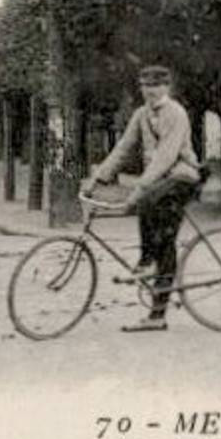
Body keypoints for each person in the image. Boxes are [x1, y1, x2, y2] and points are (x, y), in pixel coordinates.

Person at [84, 65, 203, 333]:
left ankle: (147, 265)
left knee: (155, 220)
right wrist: (98, 177)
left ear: (166, 87)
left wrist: (140, 188)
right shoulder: (141, 114)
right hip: (160, 182)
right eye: (145, 87)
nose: (149, 91)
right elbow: (124, 147)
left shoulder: (177, 113)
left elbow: (166, 157)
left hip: (181, 178)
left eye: (155, 86)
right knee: (162, 239)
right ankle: (156, 305)